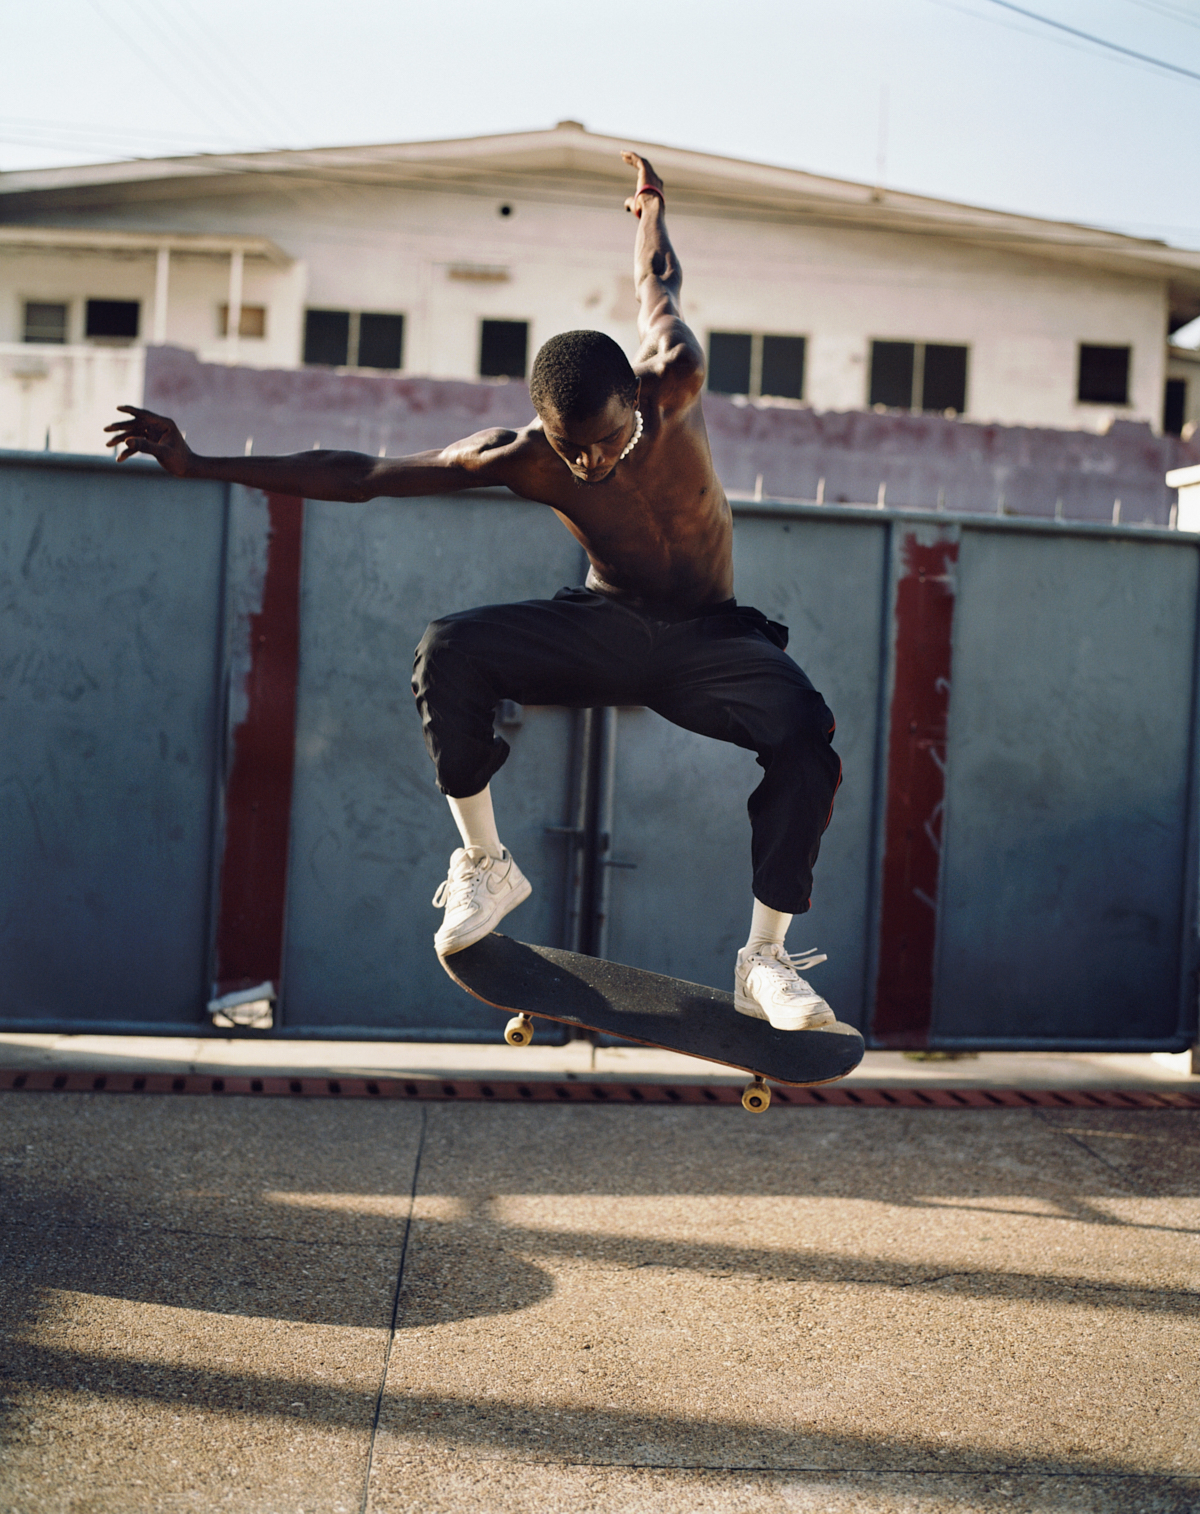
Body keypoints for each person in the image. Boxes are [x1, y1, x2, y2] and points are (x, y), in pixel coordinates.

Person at [106, 151, 842, 1031]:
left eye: (604, 442)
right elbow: (363, 472)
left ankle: (763, 958)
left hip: (710, 638)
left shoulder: (674, 377)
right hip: (607, 626)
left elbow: (659, 281)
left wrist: (648, 209)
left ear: (631, 403)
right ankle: (487, 865)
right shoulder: (521, 456)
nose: (590, 463)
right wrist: (200, 462)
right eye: (573, 451)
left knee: (807, 738)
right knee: (450, 648)